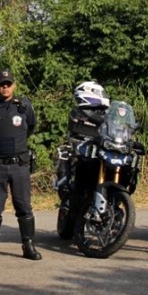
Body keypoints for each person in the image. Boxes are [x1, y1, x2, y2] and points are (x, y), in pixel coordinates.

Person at [0, 69, 40, 261]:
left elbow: (31, 127)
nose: (5, 87)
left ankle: (28, 246)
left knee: (24, 207)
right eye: (2, 84)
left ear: (14, 85)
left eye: (8, 84)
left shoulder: (24, 106)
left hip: (19, 165)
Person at [55, 82, 109, 235]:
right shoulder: (78, 112)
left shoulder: (106, 113)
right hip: (83, 156)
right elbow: (76, 132)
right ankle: (72, 208)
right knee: (76, 181)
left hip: (102, 154)